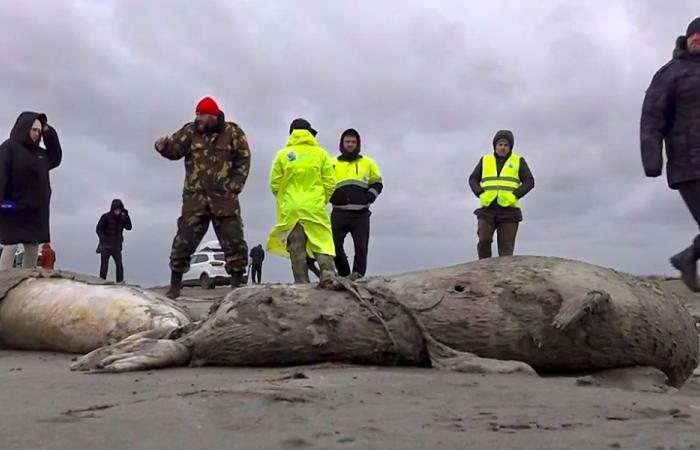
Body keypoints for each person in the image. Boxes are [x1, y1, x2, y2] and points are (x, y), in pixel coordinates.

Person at [155, 97, 251, 299]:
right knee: (183, 241)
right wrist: (163, 147)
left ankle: (236, 286)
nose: (198, 118)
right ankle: (175, 287)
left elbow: (243, 158)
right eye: (197, 114)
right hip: (195, 198)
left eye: (202, 115)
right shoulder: (190, 132)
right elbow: (175, 150)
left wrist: (234, 186)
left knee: (234, 241)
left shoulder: (233, 133)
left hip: (224, 199)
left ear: (213, 115)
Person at [641, 17, 700, 292]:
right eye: (694, 34)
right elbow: (652, 116)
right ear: (686, 38)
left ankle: (688, 256)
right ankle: (688, 257)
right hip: (688, 165)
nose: (697, 38)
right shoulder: (671, 73)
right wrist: (652, 159)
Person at [267, 118, 337, 285]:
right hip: (314, 206)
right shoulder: (321, 154)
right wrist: (321, 200)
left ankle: (301, 283)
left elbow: (274, 184)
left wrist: (286, 200)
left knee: (296, 248)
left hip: (291, 209)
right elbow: (330, 182)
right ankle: (327, 274)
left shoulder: (282, 155)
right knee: (322, 241)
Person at [0, 112, 62, 269]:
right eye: (34, 129)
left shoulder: (41, 154)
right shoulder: (9, 147)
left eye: (39, 131)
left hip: (36, 210)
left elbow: (56, 157)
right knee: (10, 245)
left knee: (33, 247)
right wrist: (3, 204)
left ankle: (27, 282)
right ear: (24, 127)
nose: (37, 134)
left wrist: (49, 132)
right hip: (13, 207)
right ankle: (3, 283)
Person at [468, 130, 535, 259]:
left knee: (506, 251)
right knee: (484, 240)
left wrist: (515, 195)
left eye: (506, 145)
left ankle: (504, 277)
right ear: (495, 146)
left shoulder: (518, 161)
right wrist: (480, 193)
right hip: (488, 208)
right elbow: (473, 179)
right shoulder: (485, 160)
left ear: (510, 147)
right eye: (500, 144)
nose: (503, 148)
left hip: (509, 210)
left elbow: (529, 181)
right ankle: (484, 268)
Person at [330, 128, 383, 279]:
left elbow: (378, 183)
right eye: (347, 141)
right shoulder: (331, 163)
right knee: (334, 246)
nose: (350, 144)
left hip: (361, 214)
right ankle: (345, 274)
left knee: (361, 248)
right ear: (342, 144)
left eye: (353, 142)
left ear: (358, 144)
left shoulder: (368, 162)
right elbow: (323, 184)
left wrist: (369, 197)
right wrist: (331, 197)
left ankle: (358, 277)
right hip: (339, 213)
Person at [96, 199, 132, 282]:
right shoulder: (105, 217)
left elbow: (129, 227)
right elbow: (98, 229)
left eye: (119, 209)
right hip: (106, 246)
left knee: (119, 265)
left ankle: (120, 282)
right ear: (112, 209)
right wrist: (102, 239)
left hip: (117, 246)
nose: (117, 211)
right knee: (104, 266)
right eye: (116, 209)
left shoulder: (123, 218)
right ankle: (101, 281)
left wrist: (127, 216)